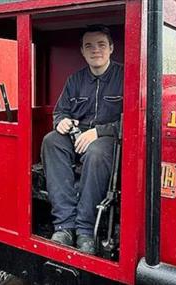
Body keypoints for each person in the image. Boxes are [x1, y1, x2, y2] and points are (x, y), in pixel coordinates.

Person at [41, 25, 123, 255]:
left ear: (111, 48)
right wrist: (62, 122)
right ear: (82, 51)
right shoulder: (75, 80)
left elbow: (134, 120)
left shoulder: (125, 77)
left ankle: (85, 230)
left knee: (96, 152)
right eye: (89, 46)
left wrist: (99, 132)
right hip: (77, 137)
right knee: (51, 141)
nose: (95, 50)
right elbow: (60, 112)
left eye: (101, 45)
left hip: (109, 140)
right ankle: (64, 226)